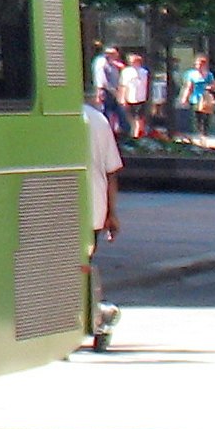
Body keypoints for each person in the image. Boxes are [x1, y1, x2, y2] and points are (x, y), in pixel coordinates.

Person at [82, 91, 122, 351]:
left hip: (58, 206)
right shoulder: (98, 120)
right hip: (92, 208)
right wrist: (112, 213)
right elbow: (111, 172)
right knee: (83, 264)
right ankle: (92, 316)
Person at [119, 48, 152, 141]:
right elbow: (123, 86)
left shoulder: (144, 72)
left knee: (139, 117)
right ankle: (133, 133)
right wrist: (122, 99)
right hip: (130, 98)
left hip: (141, 98)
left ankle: (137, 135)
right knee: (131, 117)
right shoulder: (126, 72)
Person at [92, 43, 124, 137]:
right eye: (109, 53)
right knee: (106, 114)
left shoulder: (112, 63)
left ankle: (114, 134)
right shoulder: (101, 62)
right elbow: (101, 79)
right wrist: (100, 92)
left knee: (114, 115)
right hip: (106, 92)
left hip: (113, 92)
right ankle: (107, 135)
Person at [181, 53, 215, 140]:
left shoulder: (209, 75)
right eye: (197, 64)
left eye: (200, 64)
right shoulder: (191, 74)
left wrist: (209, 87)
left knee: (206, 115)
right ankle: (200, 131)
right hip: (195, 97)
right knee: (198, 115)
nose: (198, 66)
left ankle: (205, 131)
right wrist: (185, 97)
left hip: (205, 97)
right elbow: (189, 86)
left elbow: (214, 85)